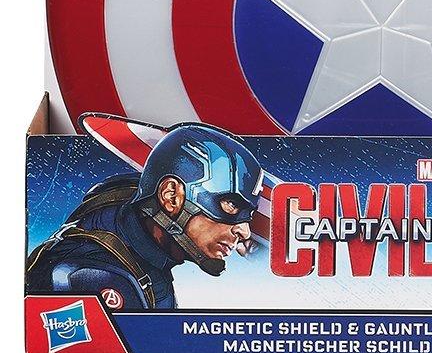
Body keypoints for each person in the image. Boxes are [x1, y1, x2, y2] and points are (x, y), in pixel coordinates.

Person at [26, 125, 263, 310]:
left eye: (248, 216)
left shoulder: (135, 219)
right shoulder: (92, 278)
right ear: (171, 196)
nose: (244, 232)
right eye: (231, 204)